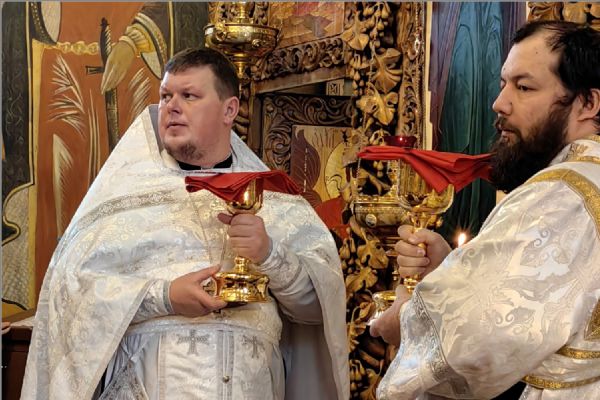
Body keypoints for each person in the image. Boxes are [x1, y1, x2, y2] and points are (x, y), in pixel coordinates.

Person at [21, 48, 349, 400]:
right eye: (166, 96)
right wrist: (165, 297)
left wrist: (269, 255)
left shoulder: (275, 200)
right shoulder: (122, 197)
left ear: (229, 110)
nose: (172, 107)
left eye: (189, 96)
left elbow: (320, 311)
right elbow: (72, 296)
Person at [370, 20, 600, 400]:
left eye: (524, 87)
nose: (500, 103)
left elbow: (468, 343)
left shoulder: (562, 193)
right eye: (503, 83)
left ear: (588, 103)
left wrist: (405, 315)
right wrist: (451, 270)